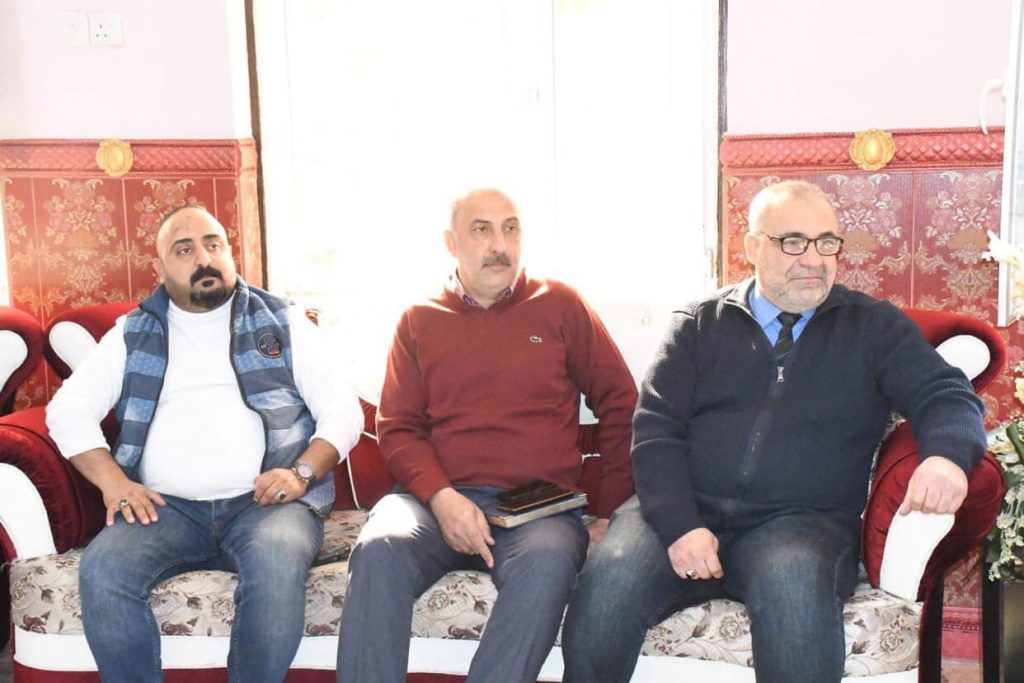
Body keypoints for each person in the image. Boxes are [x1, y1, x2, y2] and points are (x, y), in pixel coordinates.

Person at [561, 180, 986, 683]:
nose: (814, 259)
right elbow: (655, 432)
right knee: (607, 588)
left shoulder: (872, 327)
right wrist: (680, 526)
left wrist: (946, 457)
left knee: (794, 600)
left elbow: (946, 393)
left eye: (826, 242)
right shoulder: (697, 324)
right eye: (794, 242)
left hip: (800, 523)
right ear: (752, 247)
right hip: (682, 508)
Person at [45, 205, 364, 682]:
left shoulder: (283, 322)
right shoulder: (133, 333)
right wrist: (113, 482)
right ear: (160, 267)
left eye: (214, 244)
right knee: (103, 571)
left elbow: (342, 409)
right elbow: (67, 410)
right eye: (185, 250)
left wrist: (300, 474)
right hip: (166, 509)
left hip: (267, 506)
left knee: (276, 568)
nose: (204, 258)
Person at [336, 188, 638, 683]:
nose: (499, 245)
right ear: (451, 242)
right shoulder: (419, 319)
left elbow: (621, 402)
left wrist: (610, 511)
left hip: (539, 512)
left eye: (510, 229)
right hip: (432, 504)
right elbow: (398, 428)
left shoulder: (559, 305)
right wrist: (442, 499)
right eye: (481, 230)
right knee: (379, 546)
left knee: (548, 563)